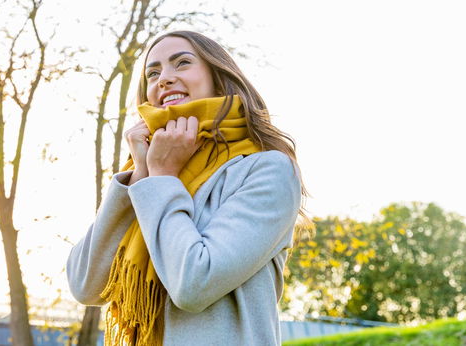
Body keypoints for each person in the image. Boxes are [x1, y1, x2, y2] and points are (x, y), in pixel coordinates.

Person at [66, 30, 312, 346]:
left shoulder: (267, 168)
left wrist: (162, 178)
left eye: (181, 63)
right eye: (152, 73)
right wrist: (140, 176)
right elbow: (86, 285)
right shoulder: (145, 175)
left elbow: (194, 284)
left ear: (218, 77)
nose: (164, 79)